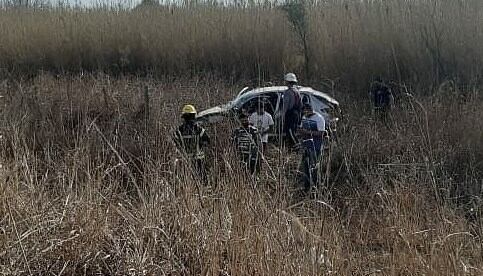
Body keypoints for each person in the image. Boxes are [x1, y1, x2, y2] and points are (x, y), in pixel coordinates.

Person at [174, 104, 210, 180]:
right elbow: (207, 142)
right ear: (194, 116)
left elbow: (175, 144)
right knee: (201, 182)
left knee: (185, 182)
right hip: (198, 162)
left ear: (183, 117)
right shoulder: (199, 130)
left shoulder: (178, 131)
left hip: (184, 162)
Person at [298, 103, 327, 191]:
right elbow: (302, 129)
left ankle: (315, 187)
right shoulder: (304, 117)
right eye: (304, 111)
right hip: (306, 145)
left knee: (314, 167)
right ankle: (306, 187)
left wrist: (308, 132)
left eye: (306, 111)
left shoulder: (319, 118)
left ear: (310, 110)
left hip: (315, 146)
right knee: (305, 167)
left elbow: (321, 133)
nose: (305, 113)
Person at [282, 73, 303, 146]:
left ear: (287, 81)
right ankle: (292, 147)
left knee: (290, 132)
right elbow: (300, 105)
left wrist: (283, 115)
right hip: (296, 114)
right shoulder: (297, 91)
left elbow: (286, 105)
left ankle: (296, 145)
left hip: (290, 114)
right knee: (293, 130)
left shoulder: (287, 92)